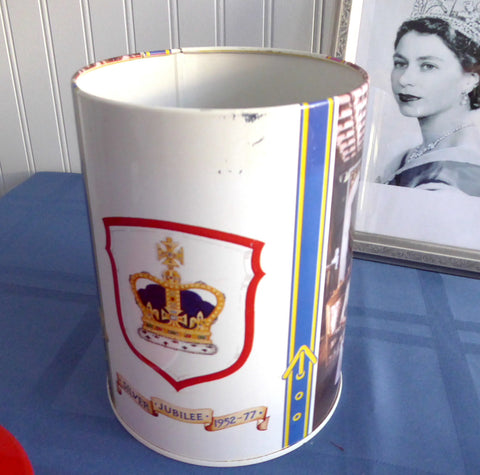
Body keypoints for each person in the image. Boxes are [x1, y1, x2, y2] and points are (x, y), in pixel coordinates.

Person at [386, 0, 480, 196]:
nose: (404, 79)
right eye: (400, 63)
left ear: (469, 80)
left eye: (428, 66)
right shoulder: (407, 155)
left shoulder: (459, 170)